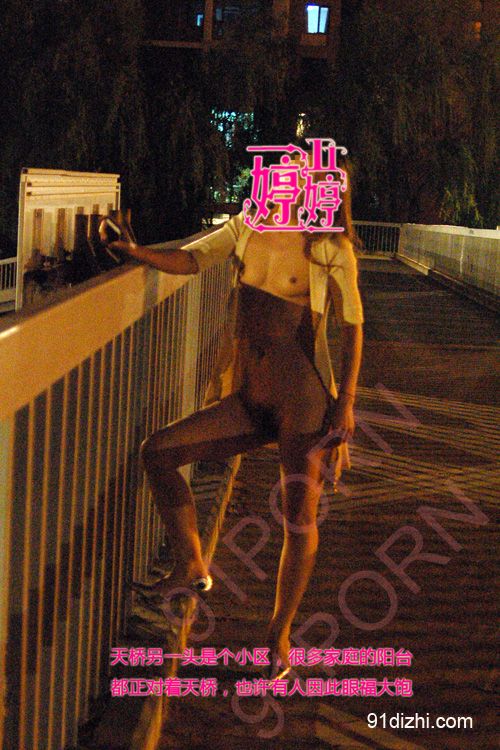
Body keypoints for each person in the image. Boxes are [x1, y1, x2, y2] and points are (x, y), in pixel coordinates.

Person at [104, 155, 364, 680]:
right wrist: (137, 253)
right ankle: (191, 563)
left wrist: (346, 404)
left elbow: (353, 326)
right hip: (250, 396)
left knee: (299, 518)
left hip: (304, 401)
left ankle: (278, 635)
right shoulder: (247, 226)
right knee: (159, 453)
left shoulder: (330, 248)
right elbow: (192, 259)